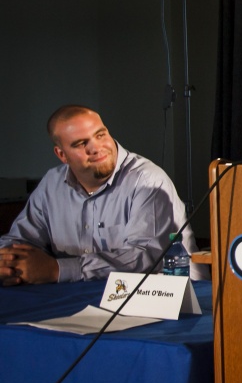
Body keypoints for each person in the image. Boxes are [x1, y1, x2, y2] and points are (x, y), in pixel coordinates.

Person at [0, 106, 197, 285]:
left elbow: (145, 257)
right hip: (86, 298)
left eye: (101, 135)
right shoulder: (52, 183)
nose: (96, 148)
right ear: (62, 155)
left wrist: (57, 270)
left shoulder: (148, 180)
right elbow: (21, 240)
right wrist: (8, 263)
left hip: (167, 299)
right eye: (81, 144)